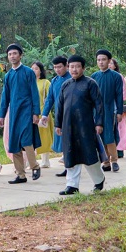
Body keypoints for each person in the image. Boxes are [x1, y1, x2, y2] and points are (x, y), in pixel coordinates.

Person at [55, 55, 106, 195]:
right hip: (68, 126)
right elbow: (60, 106)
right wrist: (58, 124)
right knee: (70, 154)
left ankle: (99, 179)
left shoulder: (90, 84)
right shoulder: (65, 85)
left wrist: (99, 123)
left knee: (89, 154)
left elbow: (99, 105)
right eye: (71, 67)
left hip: (85, 126)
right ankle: (72, 185)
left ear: (83, 68)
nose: (74, 69)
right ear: (68, 68)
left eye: (77, 66)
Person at [0, 43, 42, 183]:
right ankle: (21, 174)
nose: (12, 56)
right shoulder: (8, 75)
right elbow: (5, 97)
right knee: (14, 142)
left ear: (20, 55)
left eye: (15, 53)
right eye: (10, 54)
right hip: (13, 113)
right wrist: (1, 114)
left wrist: (36, 112)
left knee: (26, 140)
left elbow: (34, 93)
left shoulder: (28, 72)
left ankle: (35, 166)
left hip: (26, 111)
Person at [90, 49, 125, 172]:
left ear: (109, 61)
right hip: (96, 111)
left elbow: (119, 95)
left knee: (109, 135)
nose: (101, 62)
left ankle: (114, 160)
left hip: (110, 110)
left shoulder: (115, 76)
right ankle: (105, 161)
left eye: (103, 59)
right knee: (99, 136)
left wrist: (119, 111)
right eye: (99, 60)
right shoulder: (94, 77)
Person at [40, 56, 71, 177]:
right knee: (62, 140)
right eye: (55, 67)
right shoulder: (55, 81)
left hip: (70, 114)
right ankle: (67, 167)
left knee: (70, 141)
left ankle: (71, 167)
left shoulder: (71, 79)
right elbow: (50, 99)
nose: (57, 70)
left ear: (66, 66)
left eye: (59, 67)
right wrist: (44, 114)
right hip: (59, 114)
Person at [32, 61, 54, 172]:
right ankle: (32, 160)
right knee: (33, 136)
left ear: (40, 70)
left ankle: (45, 160)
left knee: (44, 136)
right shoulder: (29, 82)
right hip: (32, 113)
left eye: (36, 68)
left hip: (43, 112)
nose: (33, 70)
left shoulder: (46, 82)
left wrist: (47, 111)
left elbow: (50, 98)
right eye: (32, 68)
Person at [109, 58, 126, 158]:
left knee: (120, 129)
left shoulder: (119, 76)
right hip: (107, 106)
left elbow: (123, 93)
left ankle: (119, 150)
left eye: (111, 63)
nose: (109, 65)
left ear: (115, 66)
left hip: (117, 106)